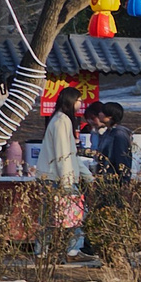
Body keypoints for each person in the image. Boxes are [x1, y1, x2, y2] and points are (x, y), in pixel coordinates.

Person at [35, 86, 86, 256]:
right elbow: (63, 154)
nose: (81, 104)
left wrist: (85, 174)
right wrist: (67, 181)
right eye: (79, 100)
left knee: (50, 215)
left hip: (53, 176)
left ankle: (43, 251)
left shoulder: (58, 119)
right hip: (58, 177)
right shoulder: (62, 121)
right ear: (71, 101)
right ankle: (72, 251)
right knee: (73, 215)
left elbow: (70, 154)